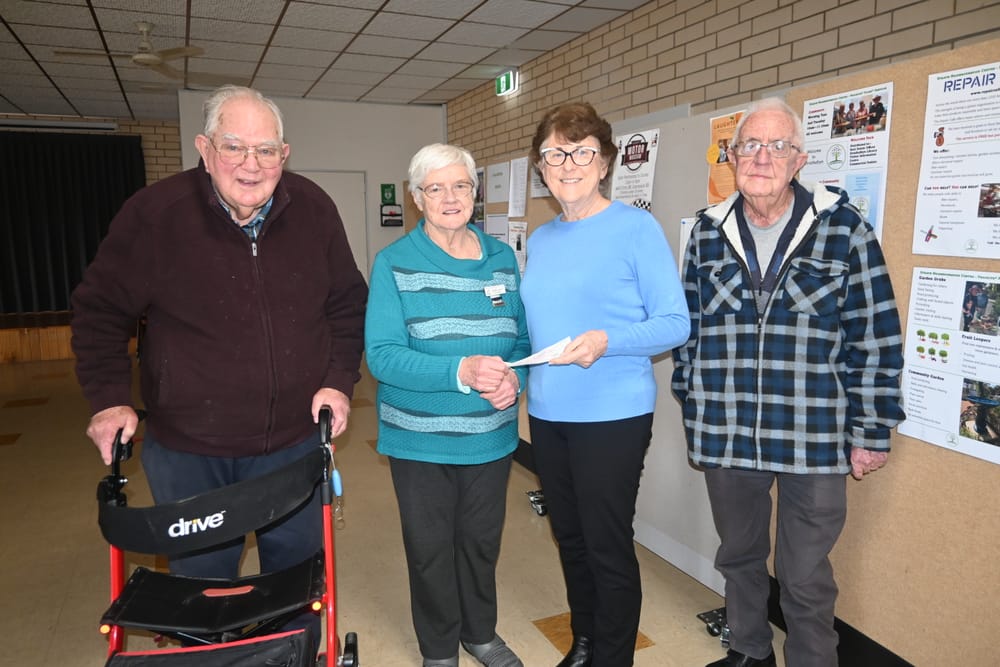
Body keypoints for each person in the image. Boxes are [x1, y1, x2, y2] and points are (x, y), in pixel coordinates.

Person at [71, 85, 368, 647]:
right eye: (234, 147)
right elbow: (100, 310)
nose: (251, 165)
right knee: (202, 591)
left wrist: (336, 382)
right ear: (205, 149)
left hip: (293, 444)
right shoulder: (156, 215)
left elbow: (347, 303)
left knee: (297, 582)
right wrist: (109, 399)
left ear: (284, 154)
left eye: (266, 150)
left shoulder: (314, 209)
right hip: (191, 451)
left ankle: (292, 655)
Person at [671, 97, 905, 667]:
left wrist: (872, 431)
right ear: (731, 157)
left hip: (815, 434)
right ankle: (749, 650)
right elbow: (687, 329)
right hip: (728, 430)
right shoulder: (707, 232)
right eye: (750, 145)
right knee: (738, 556)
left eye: (778, 146)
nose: (762, 157)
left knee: (804, 574)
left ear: (799, 160)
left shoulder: (844, 229)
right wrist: (694, 400)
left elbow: (875, 335)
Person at [520, 102, 691, 667]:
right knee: (569, 538)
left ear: (605, 163)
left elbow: (675, 323)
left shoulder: (636, 229)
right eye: (555, 154)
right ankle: (585, 642)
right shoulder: (541, 239)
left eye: (582, 152)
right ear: (541, 168)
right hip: (548, 412)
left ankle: (613, 658)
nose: (568, 165)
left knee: (606, 544)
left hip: (612, 415)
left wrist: (606, 341)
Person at [364, 143, 529, 667]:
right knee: (430, 548)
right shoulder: (394, 263)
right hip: (420, 438)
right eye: (435, 188)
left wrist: (515, 379)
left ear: (475, 193)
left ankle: (479, 634)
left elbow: (522, 341)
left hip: (491, 435)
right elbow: (382, 356)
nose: (450, 197)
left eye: (460, 185)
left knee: (481, 542)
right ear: (417, 198)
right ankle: (439, 650)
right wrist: (460, 372)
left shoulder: (501, 258)